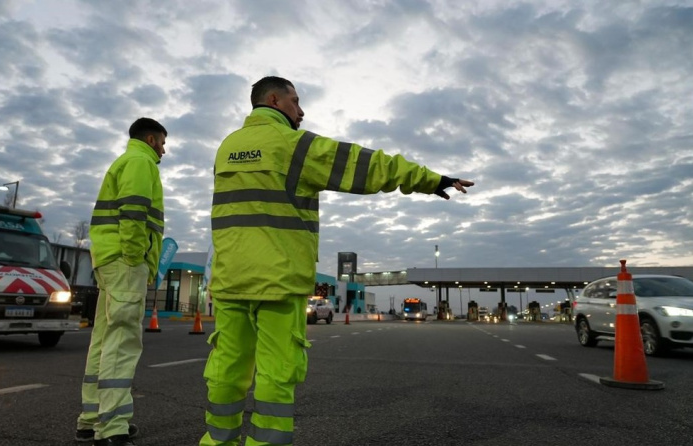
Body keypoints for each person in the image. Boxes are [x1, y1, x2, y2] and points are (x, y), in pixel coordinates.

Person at [201, 76, 474, 445]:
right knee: (277, 373)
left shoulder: (226, 147)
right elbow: (370, 166)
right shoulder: (295, 145)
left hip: (230, 280)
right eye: (296, 101)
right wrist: (430, 180)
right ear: (274, 100)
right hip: (279, 282)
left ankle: (217, 441)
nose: (301, 110)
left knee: (226, 368)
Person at [74, 117, 167, 446]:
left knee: (103, 339)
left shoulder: (125, 161)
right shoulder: (142, 162)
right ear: (152, 139)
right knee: (123, 342)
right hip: (125, 262)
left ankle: (90, 418)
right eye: (164, 143)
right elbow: (134, 213)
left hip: (109, 260)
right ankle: (111, 426)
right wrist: (134, 257)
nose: (165, 150)